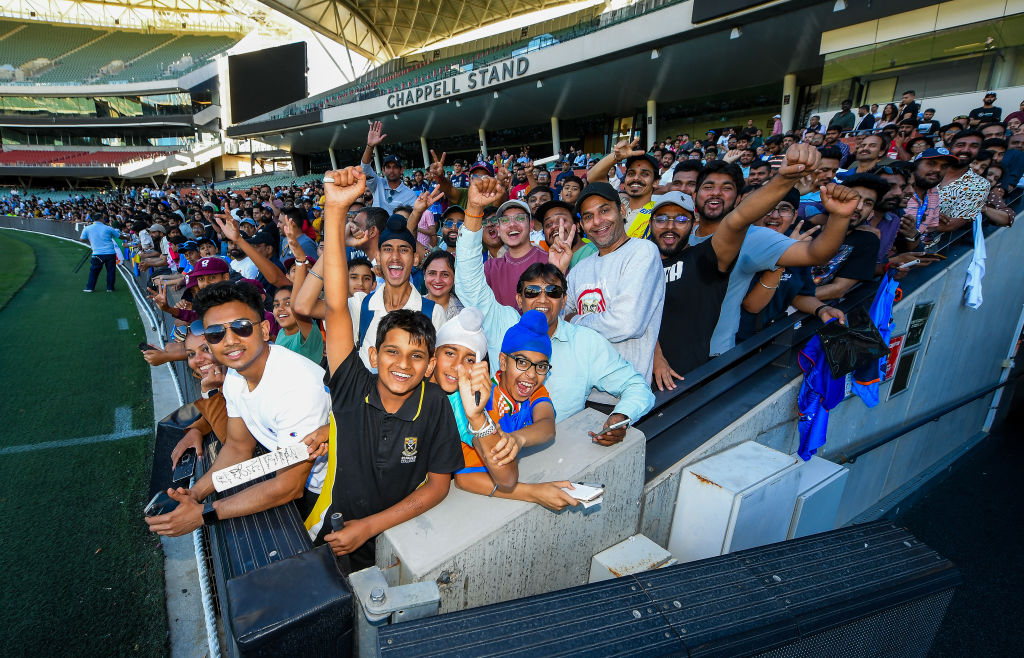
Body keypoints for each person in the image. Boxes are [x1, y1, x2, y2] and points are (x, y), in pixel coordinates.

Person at [315, 166, 465, 570]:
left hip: (406, 541)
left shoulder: (433, 404)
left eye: (417, 356)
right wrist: (334, 210)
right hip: (339, 536)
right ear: (373, 355)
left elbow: (437, 486)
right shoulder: (350, 385)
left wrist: (370, 527)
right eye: (392, 353)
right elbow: (333, 303)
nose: (403, 364)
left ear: (431, 363)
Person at [455, 176, 654, 443]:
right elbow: (468, 280)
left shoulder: (585, 343)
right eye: (532, 292)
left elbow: (637, 387)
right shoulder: (501, 323)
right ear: (518, 299)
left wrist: (621, 416)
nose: (542, 299)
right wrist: (473, 212)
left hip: (563, 459)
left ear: (563, 300)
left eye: (553, 292)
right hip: (495, 452)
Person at [145, 281, 331, 539]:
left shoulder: (296, 388)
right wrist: (196, 494)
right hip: (285, 473)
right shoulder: (235, 373)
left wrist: (204, 513)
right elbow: (238, 446)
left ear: (265, 330)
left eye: (242, 328)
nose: (230, 341)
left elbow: (289, 486)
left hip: (324, 492)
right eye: (216, 333)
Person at [563, 181, 665, 389]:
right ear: (582, 225)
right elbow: (557, 321)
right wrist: (556, 269)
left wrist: (574, 320)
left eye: (604, 210)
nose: (598, 221)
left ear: (622, 210)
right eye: (588, 216)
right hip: (581, 391)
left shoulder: (642, 252)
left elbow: (627, 325)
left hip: (625, 394)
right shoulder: (580, 268)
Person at [737, 189, 848, 342]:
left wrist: (822, 309)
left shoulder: (798, 244)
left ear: (795, 216)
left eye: (784, 209)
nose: (775, 215)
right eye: (768, 207)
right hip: (733, 342)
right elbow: (751, 306)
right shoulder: (740, 242)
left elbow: (798, 294)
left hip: (768, 339)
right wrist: (783, 253)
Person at [347, 214, 447, 369]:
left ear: (415, 259)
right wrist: (339, 242)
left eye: (403, 250)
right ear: (378, 257)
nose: (395, 257)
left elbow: (436, 371)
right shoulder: (361, 305)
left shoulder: (433, 313)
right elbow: (304, 307)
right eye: (388, 249)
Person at [813, 174, 888, 300]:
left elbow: (837, 290)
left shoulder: (867, 241)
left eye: (868, 203)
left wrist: (786, 299)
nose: (859, 207)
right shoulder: (806, 228)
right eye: (855, 199)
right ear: (837, 198)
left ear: (872, 212)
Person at [483, 199, 549, 309]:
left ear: (531, 225)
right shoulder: (491, 267)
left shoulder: (549, 260)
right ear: (498, 229)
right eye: (505, 220)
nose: (512, 224)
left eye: (520, 218)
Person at [586, 138, 658, 237]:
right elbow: (592, 177)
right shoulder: (617, 203)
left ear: (655, 182)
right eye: (631, 173)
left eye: (645, 174)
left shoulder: (658, 213)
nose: (636, 178)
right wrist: (615, 157)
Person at [938, 130, 991, 232]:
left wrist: (920, 217)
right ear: (950, 147)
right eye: (960, 145)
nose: (966, 150)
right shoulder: (929, 169)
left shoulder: (979, 185)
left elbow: (949, 226)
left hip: (925, 244)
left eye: (974, 146)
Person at [360, 122, 418, 213]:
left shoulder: (410, 195)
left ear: (401, 170)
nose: (391, 170)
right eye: (388, 167)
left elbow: (412, 220)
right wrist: (370, 146)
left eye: (395, 167)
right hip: (374, 227)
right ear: (383, 170)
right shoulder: (377, 184)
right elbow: (365, 168)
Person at [273, 285, 324, 363]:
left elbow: (298, 307)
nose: (280, 308)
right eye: (276, 305)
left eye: (287, 303)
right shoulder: (282, 332)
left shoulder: (309, 333)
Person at [79, 215, 121, 293]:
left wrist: (91, 241)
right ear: (101, 219)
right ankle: (110, 288)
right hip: (110, 253)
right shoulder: (108, 228)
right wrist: (128, 238)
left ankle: (90, 288)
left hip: (97, 253)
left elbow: (82, 239)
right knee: (111, 271)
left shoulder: (87, 228)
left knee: (94, 271)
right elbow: (118, 236)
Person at [421, 250, 464, 320]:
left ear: (455, 277)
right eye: (432, 273)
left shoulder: (461, 314)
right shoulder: (413, 304)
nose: (437, 280)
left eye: (445, 274)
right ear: (424, 274)